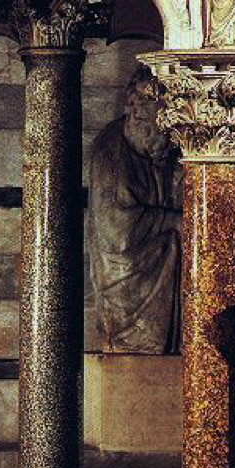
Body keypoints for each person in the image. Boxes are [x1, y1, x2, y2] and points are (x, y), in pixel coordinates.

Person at [88, 69, 182, 354]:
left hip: (161, 262)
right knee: (135, 347)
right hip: (125, 275)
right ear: (134, 108)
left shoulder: (163, 147)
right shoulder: (111, 149)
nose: (163, 134)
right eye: (152, 119)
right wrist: (173, 221)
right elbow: (117, 231)